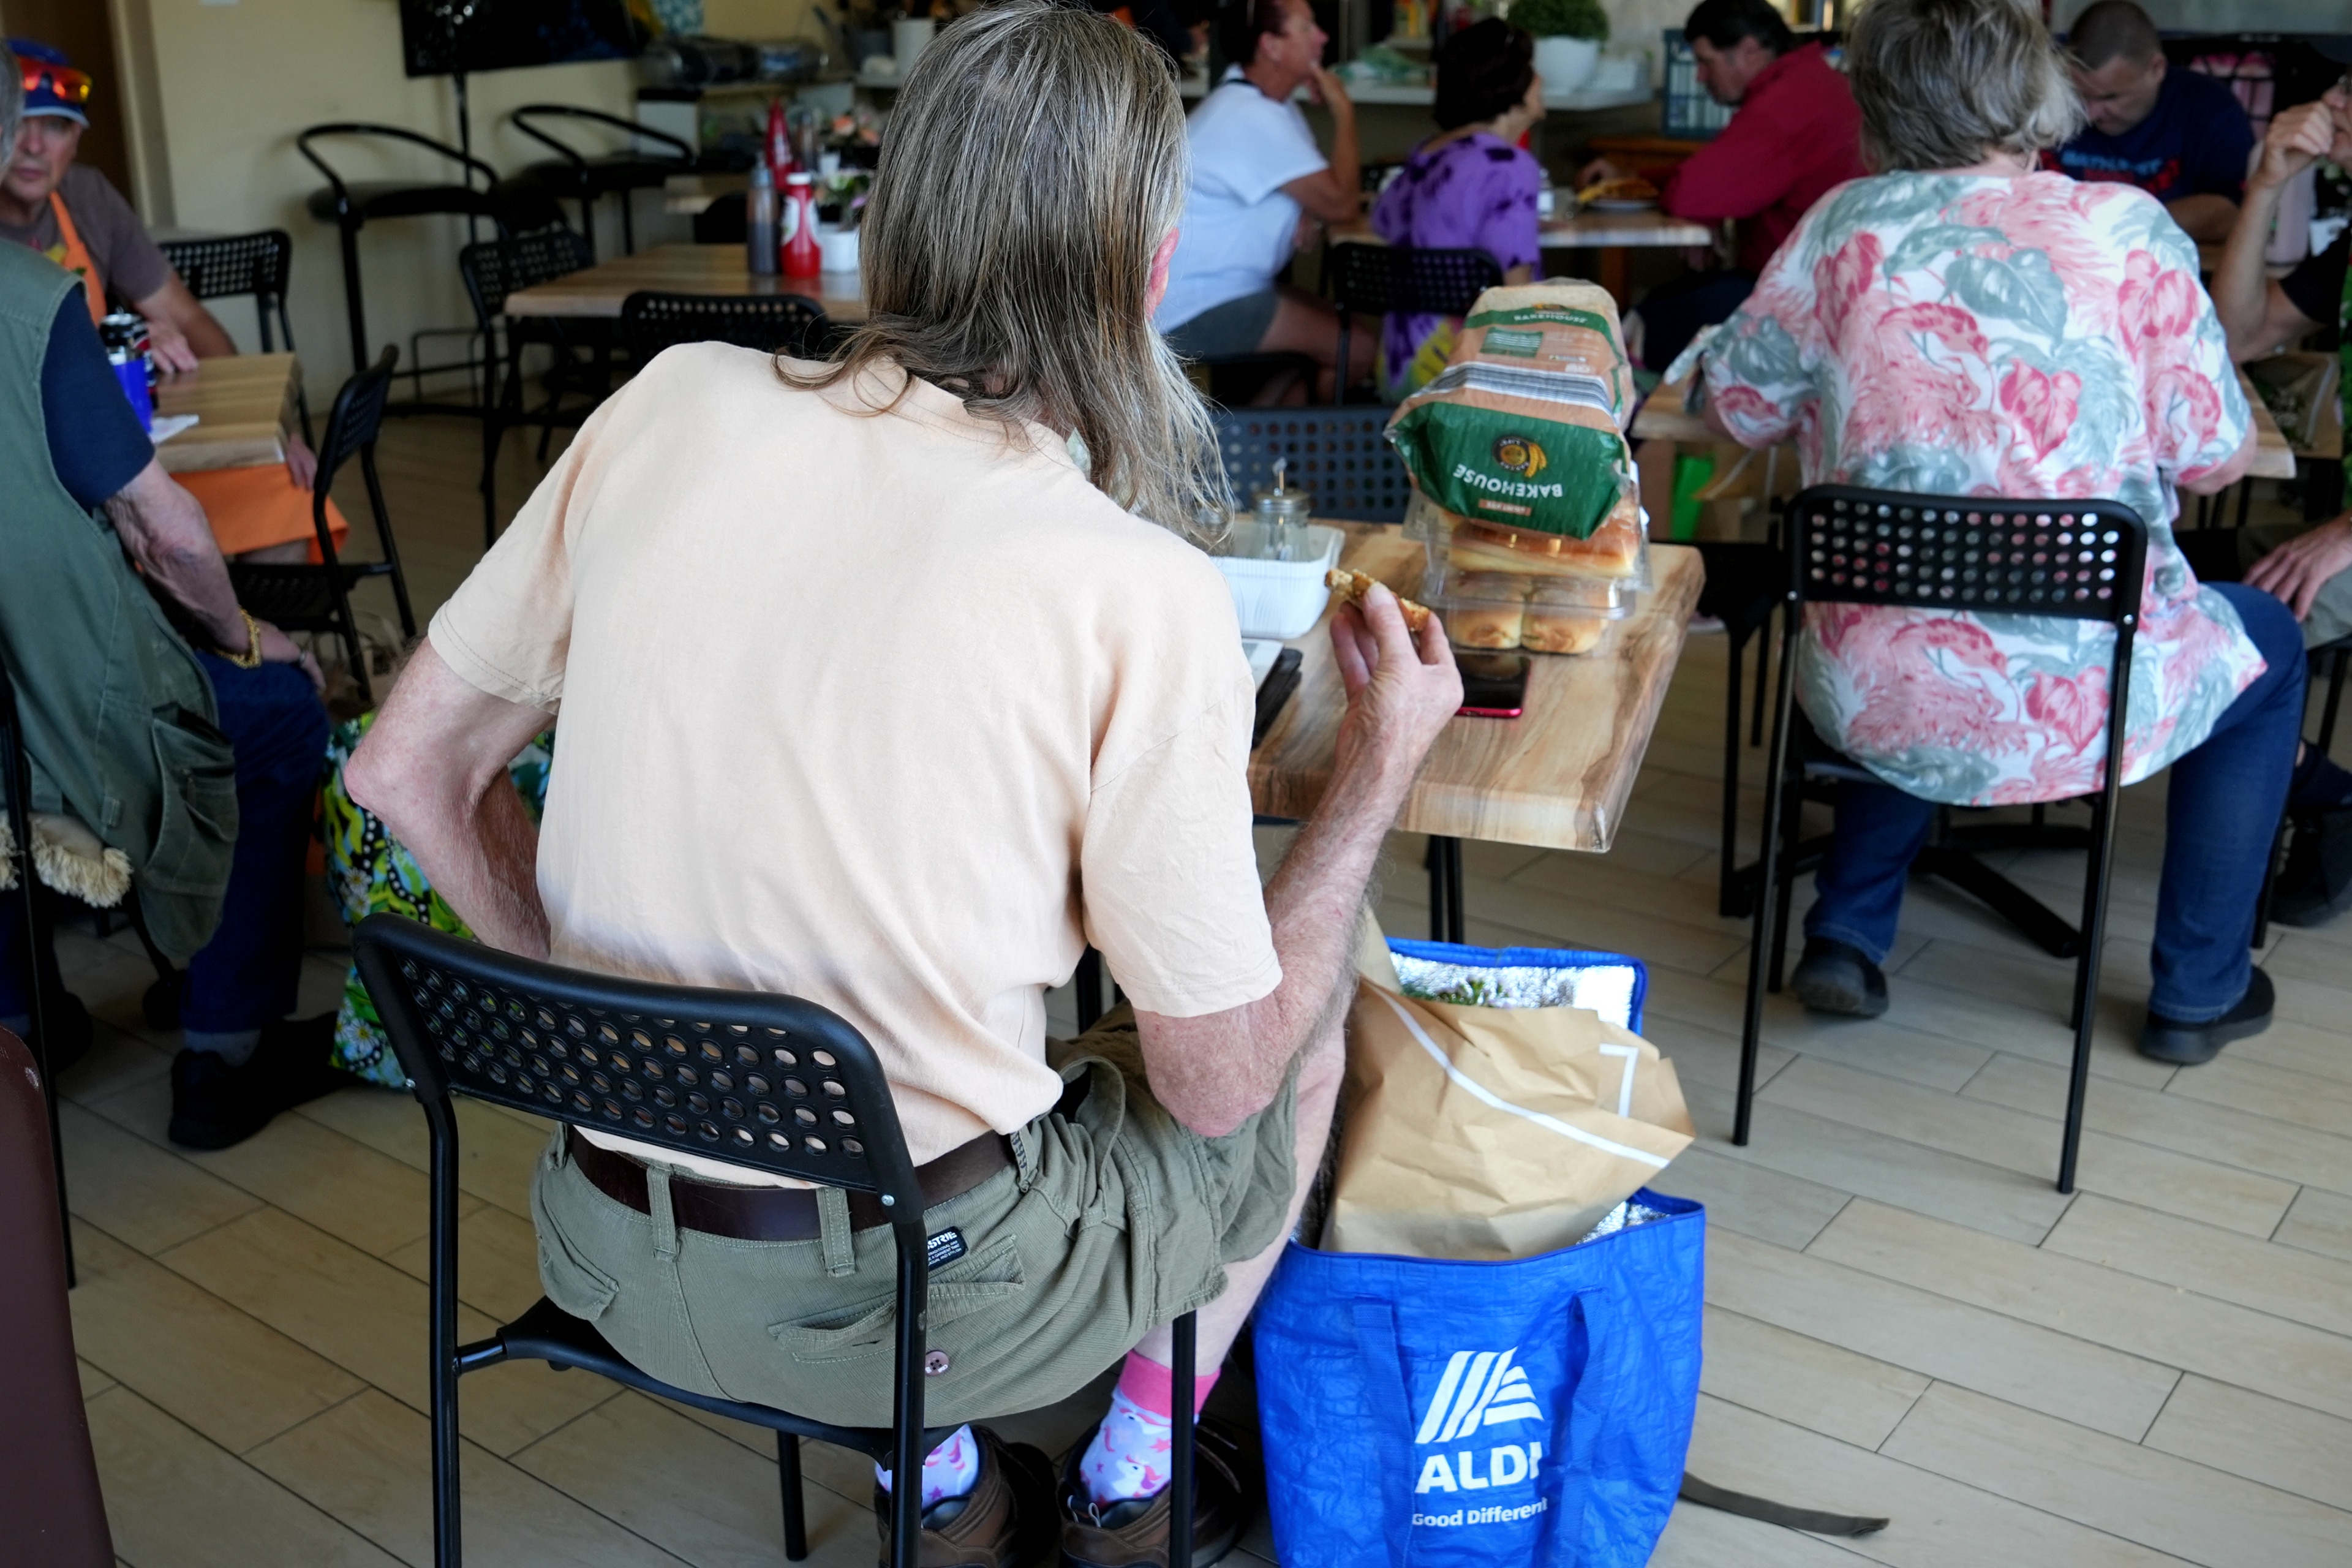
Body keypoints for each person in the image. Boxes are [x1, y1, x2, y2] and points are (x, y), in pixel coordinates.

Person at [344, 7, 1462, 1564]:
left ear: (895, 220)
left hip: (597, 1240)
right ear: (1151, 273)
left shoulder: (668, 400)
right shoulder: (1132, 585)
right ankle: (1133, 1476)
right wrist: (1376, 767)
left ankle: (937, 1487)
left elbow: (403, 769)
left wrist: (618, 1043)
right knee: (1314, 999)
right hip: (907, 1296)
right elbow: (1217, 1087)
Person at [1700, 0, 2302, 1066]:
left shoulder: (1843, 227)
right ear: (2036, 88)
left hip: (1871, 690)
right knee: (2273, 647)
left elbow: (1733, 412)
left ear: (1879, 98)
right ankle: (2195, 992)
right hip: (2085, 701)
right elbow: (2214, 458)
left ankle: (1846, 928)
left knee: (1916, 597)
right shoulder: (2125, 230)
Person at [0, 45, 347, 1146]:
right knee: (276, 711)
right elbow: (166, 534)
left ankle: (21, 1030)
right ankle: (225, 1050)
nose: (32, 143)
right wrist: (245, 635)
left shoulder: (73, 233)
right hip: (43, 720)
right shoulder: (27, 301)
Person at [3, 39, 337, 562]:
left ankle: (250, 620)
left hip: (130, 450)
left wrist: (272, 429)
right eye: (18, 124)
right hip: (29, 472)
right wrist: (110, 347)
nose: (32, 147)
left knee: (281, 491)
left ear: (76, 140)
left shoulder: (88, 198)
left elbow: (187, 318)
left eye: (55, 127)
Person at [1578, 0, 1864, 371]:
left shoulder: (1785, 103)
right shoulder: (1809, 81)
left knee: (1632, 329)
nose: (1699, 76)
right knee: (1660, 302)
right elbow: (1715, 178)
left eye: (1706, 61)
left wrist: (1704, 205)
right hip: (1819, 290)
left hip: (1801, 303)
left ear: (1749, 50)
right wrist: (1638, 181)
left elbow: (1692, 192)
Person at [1155, 0, 1374, 399]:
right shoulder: (1251, 114)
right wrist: (1344, 111)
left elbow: (1306, 190)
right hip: (1193, 303)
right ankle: (1284, 436)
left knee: (1344, 327)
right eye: (1307, 28)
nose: (1323, 38)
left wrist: (1304, 211)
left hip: (1219, 289)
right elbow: (1342, 205)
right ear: (1271, 46)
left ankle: (1262, 432)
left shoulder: (1266, 104)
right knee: (1355, 348)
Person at [1368, 18, 1544, 396]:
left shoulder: (1427, 153)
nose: (1540, 79)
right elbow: (1516, 299)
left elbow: (1383, 220)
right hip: (1469, 373)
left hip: (1400, 369)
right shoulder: (1509, 166)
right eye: (1532, 70)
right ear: (1510, 84)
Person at [2043, 2, 2253, 244]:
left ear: (2156, 69)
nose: (2090, 114)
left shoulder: (2211, 111)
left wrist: (2121, 223)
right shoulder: (2048, 103)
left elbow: (2231, 214)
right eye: (2080, 97)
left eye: (2110, 98)